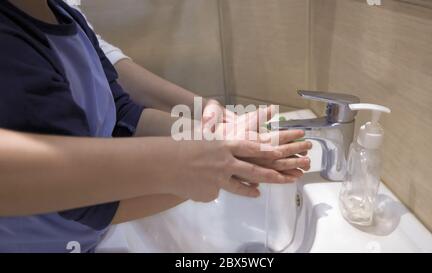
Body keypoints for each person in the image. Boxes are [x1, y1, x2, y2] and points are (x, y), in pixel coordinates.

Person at [0, 0, 312, 252]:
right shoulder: (10, 45)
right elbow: (81, 199)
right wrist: (198, 163)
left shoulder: (64, 16)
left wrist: (210, 139)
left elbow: (123, 115)